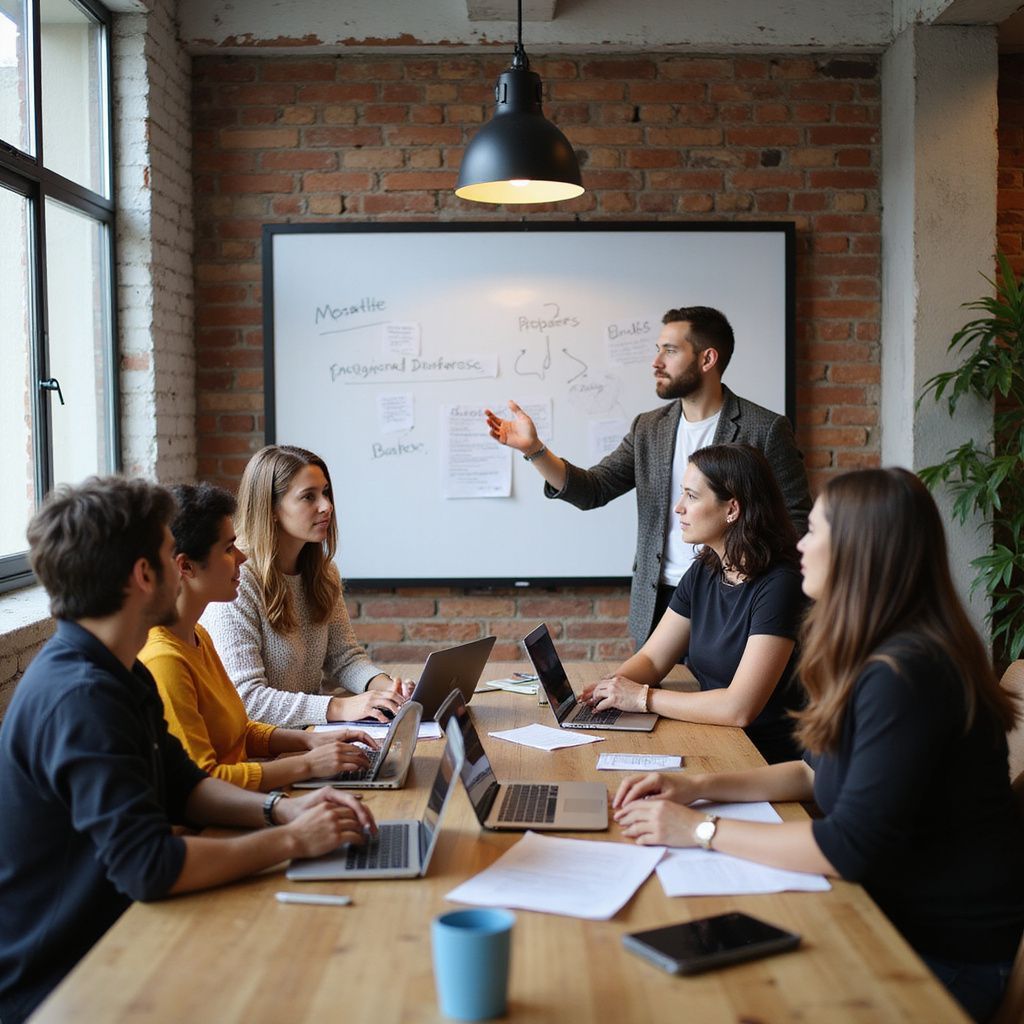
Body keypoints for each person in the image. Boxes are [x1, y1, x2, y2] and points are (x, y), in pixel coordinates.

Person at [612, 468, 1024, 1023]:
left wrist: (701, 831)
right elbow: (812, 772)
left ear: (861, 552)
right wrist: (698, 788)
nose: (801, 542)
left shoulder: (909, 673)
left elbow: (845, 846)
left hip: (935, 956)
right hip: (882, 914)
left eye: (818, 531)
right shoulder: (874, 652)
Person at [0, 477, 376, 1024]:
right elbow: (148, 865)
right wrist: (291, 839)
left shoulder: (118, 668)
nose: (181, 566)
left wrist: (284, 809)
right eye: (166, 553)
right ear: (144, 575)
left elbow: (187, 787)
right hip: (67, 981)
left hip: (122, 939)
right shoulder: (82, 698)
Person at [485, 305, 811, 647]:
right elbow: (593, 489)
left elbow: (796, 522)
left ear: (707, 358)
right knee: (649, 695)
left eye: (669, 351)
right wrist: (535, 449)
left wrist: (749, 576)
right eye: (658, 350)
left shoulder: (765, 429)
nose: (656, 362)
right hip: (660, 602)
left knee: (718, 696)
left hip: (733, 599)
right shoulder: (649, 428)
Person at [141, 482, 381, 790]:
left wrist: (312, 739)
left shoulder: (197, 634)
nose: (241, 557)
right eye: (229, 549)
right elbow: (203, 783)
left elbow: (238, 732)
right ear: (186, 566)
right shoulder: (164, 659)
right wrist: (307, 763)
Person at [580, 444, 805, 763]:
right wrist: (610, 688)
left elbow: (739, 709)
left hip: (763, 757)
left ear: (732, 509)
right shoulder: (705, 569)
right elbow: (653, 659)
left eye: (692, 496)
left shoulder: (781, 585)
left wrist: (642, 697)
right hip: (714, 737)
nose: (678, 508)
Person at [203, 444, 409, 728]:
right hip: (264, 752)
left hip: (312, 737)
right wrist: (339, 707)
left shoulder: (323, 573)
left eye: (325, 492)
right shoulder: (237, 579)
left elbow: (344, 658)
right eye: (308, 497)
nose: (326, 506)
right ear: (271, 508)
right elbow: (246, 699)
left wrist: (386, 689)